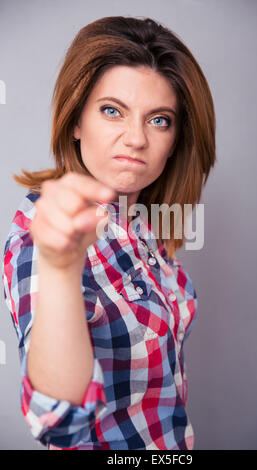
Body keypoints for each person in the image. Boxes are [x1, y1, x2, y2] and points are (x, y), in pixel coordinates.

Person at [2, 16, 216, 450]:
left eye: (159, 120)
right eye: (112, 110)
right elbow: (57, 420)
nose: (135, 138)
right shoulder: (43, 238)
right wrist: (60, 267)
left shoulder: (142, 225)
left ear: (176, 139)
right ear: (76, 120)